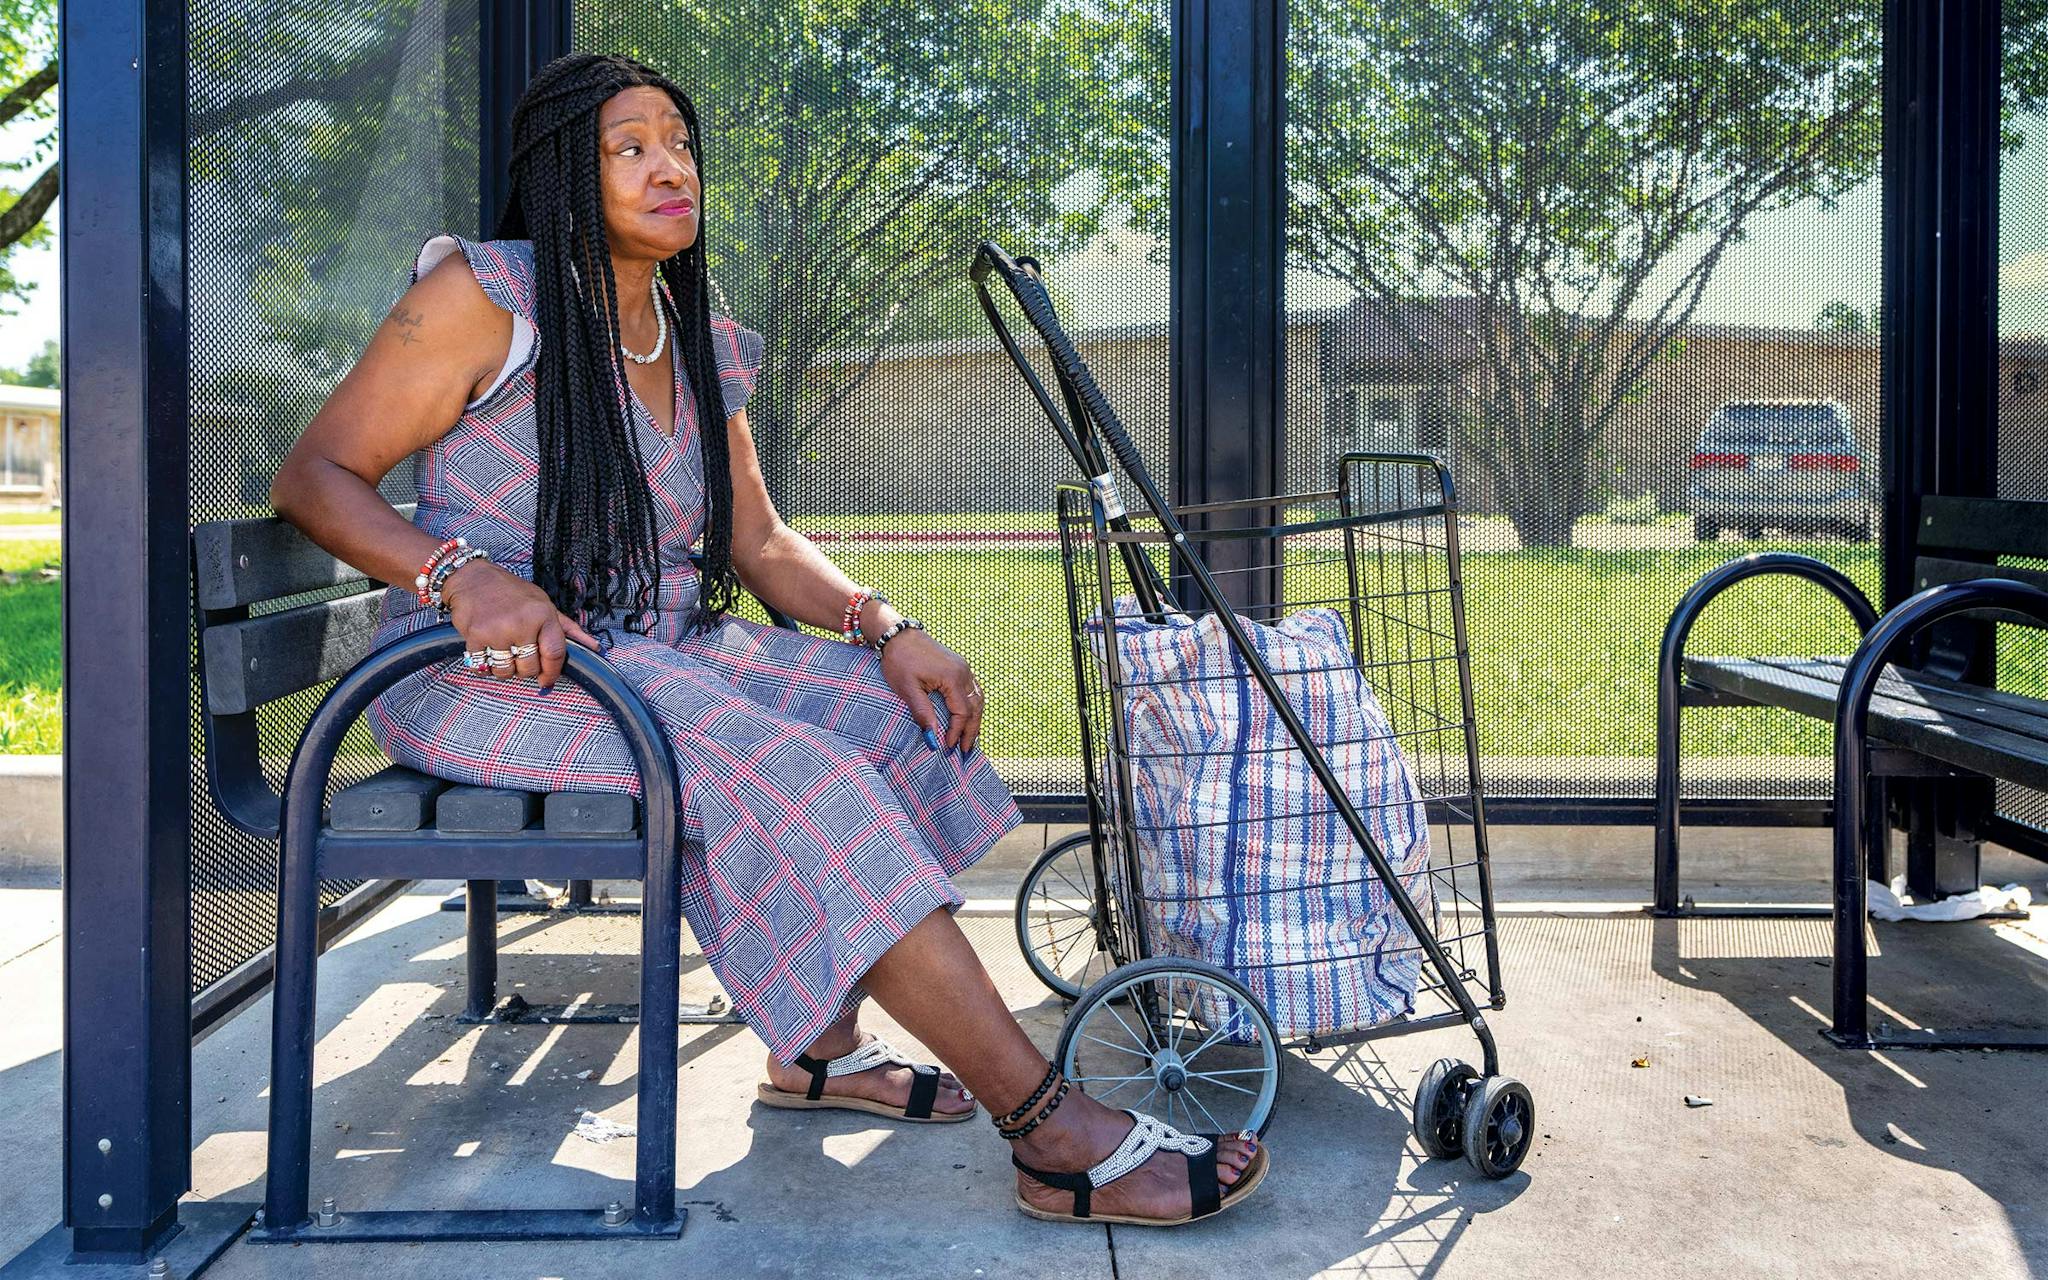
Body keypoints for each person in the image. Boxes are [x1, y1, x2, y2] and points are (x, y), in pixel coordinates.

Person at [271, 51, 1265, 1225]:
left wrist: (884, 624)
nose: (666, 166)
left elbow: (758, 540)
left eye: (678, 142)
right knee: (796, 777)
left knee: (892, 720)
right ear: (558, 176)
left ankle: (820, 1052)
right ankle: (1049, 1132)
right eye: (627, 146)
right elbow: (313, 473)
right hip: (485, 669)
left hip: (654, 648)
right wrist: (458, 572)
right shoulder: (485, 298)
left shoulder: (700, 332)